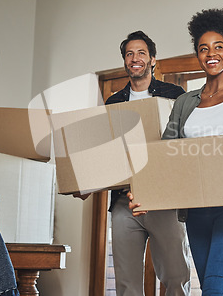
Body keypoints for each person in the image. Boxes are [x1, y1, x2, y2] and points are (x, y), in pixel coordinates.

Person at [129, 9, 223, 295]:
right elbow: (167, 155)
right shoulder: (184, 102)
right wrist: (148, 194)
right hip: (196, 213)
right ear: (197, 55)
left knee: (215, 291)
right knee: (209, 288)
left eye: (219, 47)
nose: (211, 54)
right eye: (203, 49)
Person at [78, 31, 191, 295]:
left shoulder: (174, 95)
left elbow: (184, 146)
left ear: (153, 59)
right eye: (129, 54)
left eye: (141, 53)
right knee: (126, 284)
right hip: (124, 202)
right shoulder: (113, 102)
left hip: (165, 200)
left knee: (176, 278)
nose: (135, 58)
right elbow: (106, 155)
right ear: (125, 62)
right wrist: (86, 182)